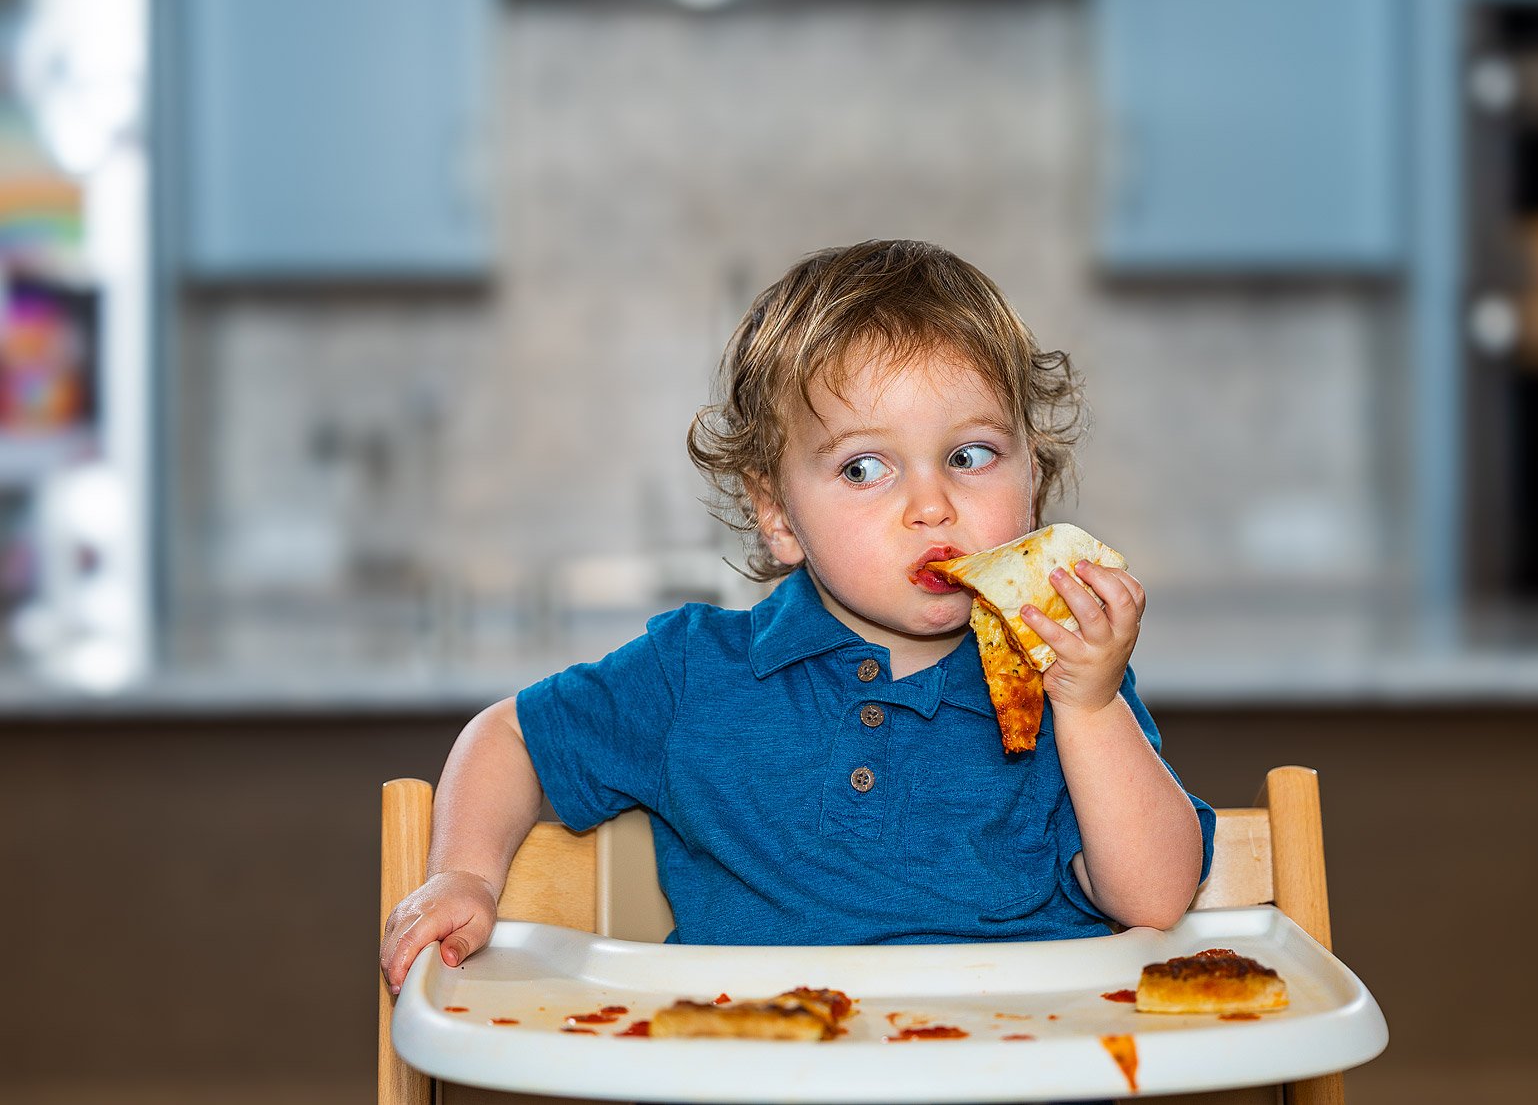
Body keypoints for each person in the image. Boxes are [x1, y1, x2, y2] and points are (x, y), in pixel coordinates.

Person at [380, 239, 1214, 993]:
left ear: (1033, 475)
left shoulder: (1064, 676)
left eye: (970, 456)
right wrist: (465, 875)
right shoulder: (693, 675)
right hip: (756, 1066)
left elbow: (1155, 897)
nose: (932, 505)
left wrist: (1091, 705)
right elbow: (514, 737)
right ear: (778, 515)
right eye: (863, 468)